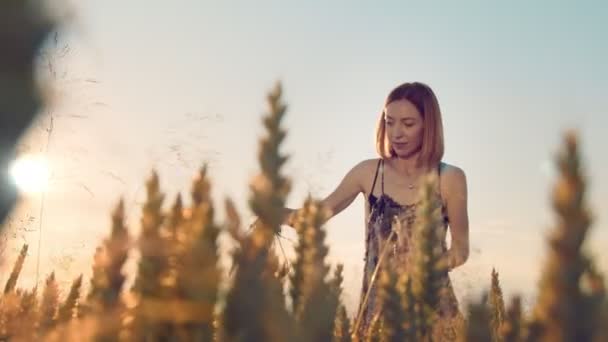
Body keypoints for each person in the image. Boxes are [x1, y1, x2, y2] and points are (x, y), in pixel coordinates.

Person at [281, 82, 469, 339]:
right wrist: (271, 210)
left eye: (408, 123)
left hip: (433, 314)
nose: (397, 133)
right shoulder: (368, 173)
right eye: (389, 122)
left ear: (429, 126)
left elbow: (460, 250)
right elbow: (313, 218)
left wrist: (423, 267)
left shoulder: (449, 177)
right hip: (378, 315)